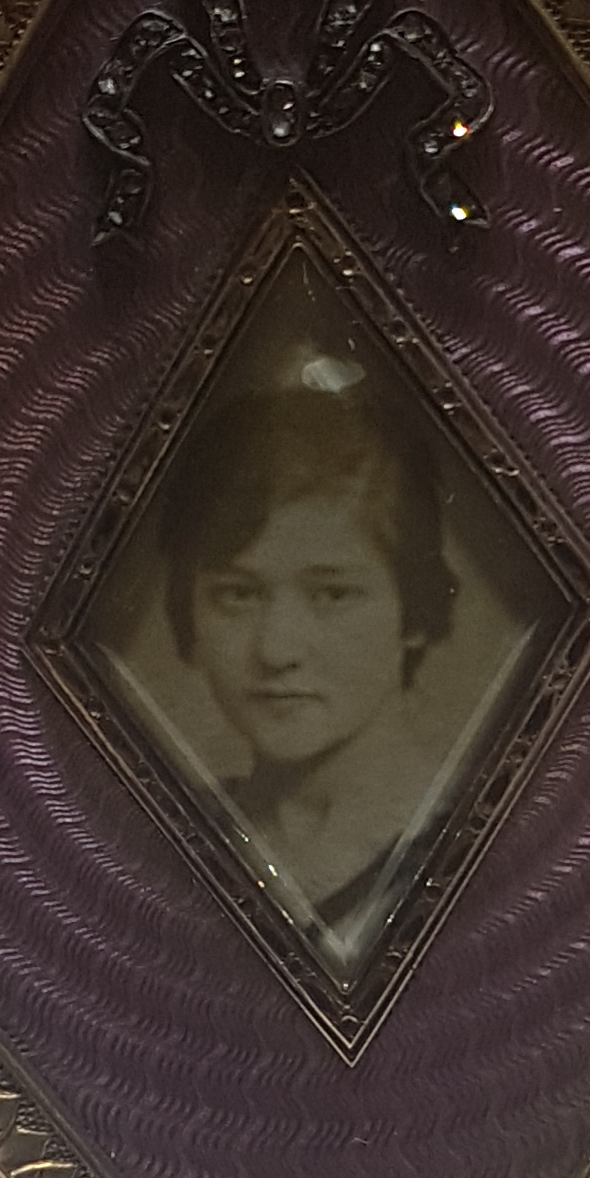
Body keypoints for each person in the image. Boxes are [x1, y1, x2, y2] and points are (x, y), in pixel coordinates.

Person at [154, 374, 458, 964]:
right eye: (238, 594)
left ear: (415, 609)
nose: (275, 650)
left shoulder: (483, 830)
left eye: (331, 594)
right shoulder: (167, 839)